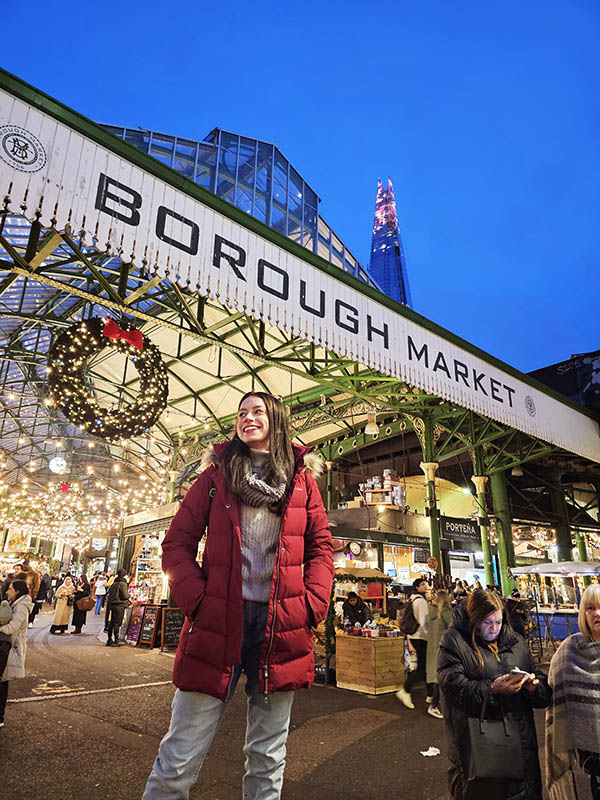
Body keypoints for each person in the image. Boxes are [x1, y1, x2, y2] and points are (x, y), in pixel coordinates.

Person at [142, 391, 334, 800]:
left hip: (280, 628)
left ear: (276, 419)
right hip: (217, 622)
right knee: (179, 755)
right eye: (241, 412)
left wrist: (313, 604)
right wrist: (197, 599)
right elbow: (176, 543)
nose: (247, 418)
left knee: (267, 758)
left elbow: (321, 548)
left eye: (257, 411)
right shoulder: (215, 477)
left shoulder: (302, 482)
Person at [438, 588, 551, 800]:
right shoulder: (454, 641)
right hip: (481, 750)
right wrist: (492, 688)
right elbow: (453, 687)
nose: (494, 629)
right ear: (474, 618)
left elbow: (540, 681)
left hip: (522, 746)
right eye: (487, 622)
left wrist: (535, 687)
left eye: (498, 622)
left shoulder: (516, 642)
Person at [546, 583, 600, 800]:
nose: (597, 613)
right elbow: (552, 688)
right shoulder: (570, 649)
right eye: (590, 608)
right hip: (592, 754)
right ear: (583, 613)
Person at [0, 579, 33, 729]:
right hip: (7, 646)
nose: (7, 591)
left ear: (17, 591)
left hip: (11, 648)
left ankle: (0, 716)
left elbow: (12, 627)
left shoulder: (21, 607)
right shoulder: (16, 604)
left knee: (2, 681)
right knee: (2, 681)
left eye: (10, 589)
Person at [396, 577, 431, 709]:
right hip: (421, 637)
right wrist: (431, 636)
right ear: (416, 587)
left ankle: (431, 695)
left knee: (425, 666)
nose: (425, 586)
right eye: (422, 584)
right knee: (423, 667)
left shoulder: (412, 599)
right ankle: (405, 689)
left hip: (414, 635)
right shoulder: (421, 601)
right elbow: (424, 622)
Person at [425, 589, 452, 719]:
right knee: (440, 678)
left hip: (431, 647)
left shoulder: (431, 611)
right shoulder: (446, 613)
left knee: (436, 675)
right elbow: (452, 628)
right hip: (442, 648)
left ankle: (432, 700)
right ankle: (434, 706)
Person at [105, 569, 130, 646]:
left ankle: (109, 639)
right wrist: (129, 595)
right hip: (119, 605)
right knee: (117, 623)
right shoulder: (123, 584)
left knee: (112, 622)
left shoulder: (114, 583)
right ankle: (116, 640)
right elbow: (125, 596)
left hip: (112, 605)